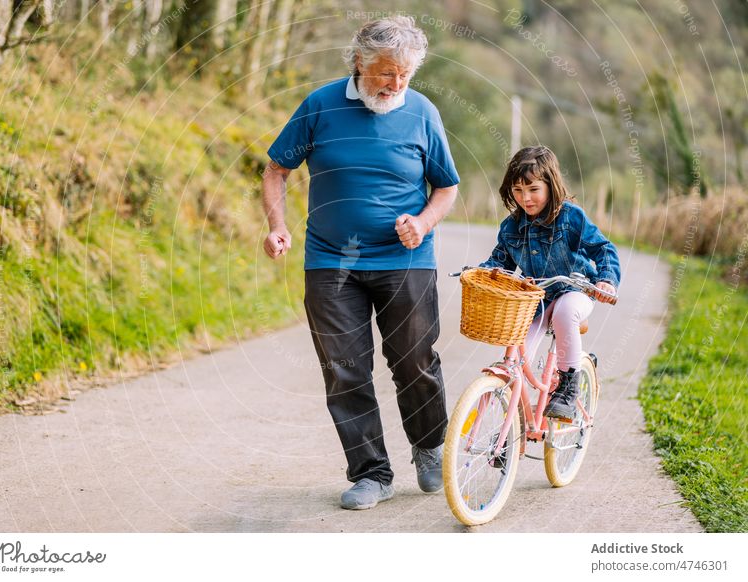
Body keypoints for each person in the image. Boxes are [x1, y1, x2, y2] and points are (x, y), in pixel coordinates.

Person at [261, 16, 460, 510]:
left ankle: (431, 447)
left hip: (405, 260)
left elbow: (446, 187)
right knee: (344, 368)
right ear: (359, 62)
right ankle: (371, 472)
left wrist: (425, 221)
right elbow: (276, 170)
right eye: (386, 73)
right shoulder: (320, 105)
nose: (395, 85)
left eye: (405, 76)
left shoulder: (422, 112)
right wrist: (277, 225)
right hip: (330, 261)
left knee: (415, 361)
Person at [479, 146, 620, 420]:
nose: (525, 198)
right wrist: (483, 274)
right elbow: (499, 262)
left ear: (550, 185)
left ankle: (569, 385)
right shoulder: (511, 227)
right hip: (537, 299)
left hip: (575, 290)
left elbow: (603, 249)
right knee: (517, 359)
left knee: (566, 312)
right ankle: (509, 429)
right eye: (518, 191)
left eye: (533, 189)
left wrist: (606, 280)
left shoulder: (570, 217)